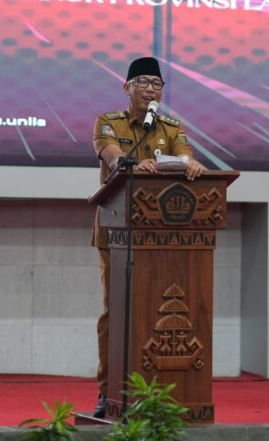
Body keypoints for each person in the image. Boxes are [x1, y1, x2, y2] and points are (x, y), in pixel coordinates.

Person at [90, 56, 205, 417]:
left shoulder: (171, 128)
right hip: (116, 233)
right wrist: (127, 163)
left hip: (162, 239)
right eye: (143, 82)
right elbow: (110, 154)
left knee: (157, 313)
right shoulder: (108, 122)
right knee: (116, 313)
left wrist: (191, 164)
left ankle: (161, 393)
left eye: (157, 84)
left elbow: (184, 157)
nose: (150, 90)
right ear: (127, 88)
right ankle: (108, 391)